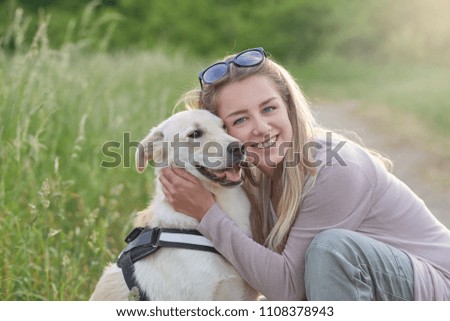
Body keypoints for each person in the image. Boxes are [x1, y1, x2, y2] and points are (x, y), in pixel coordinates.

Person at [158, 47, 450, 300]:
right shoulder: (248, 177)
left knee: (331, 249)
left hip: (436, 292)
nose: (260, 127)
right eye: (241, 119)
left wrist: (207, 213)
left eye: (269, 108)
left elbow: (287, 290)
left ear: (289, 108)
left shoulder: (335, 167)